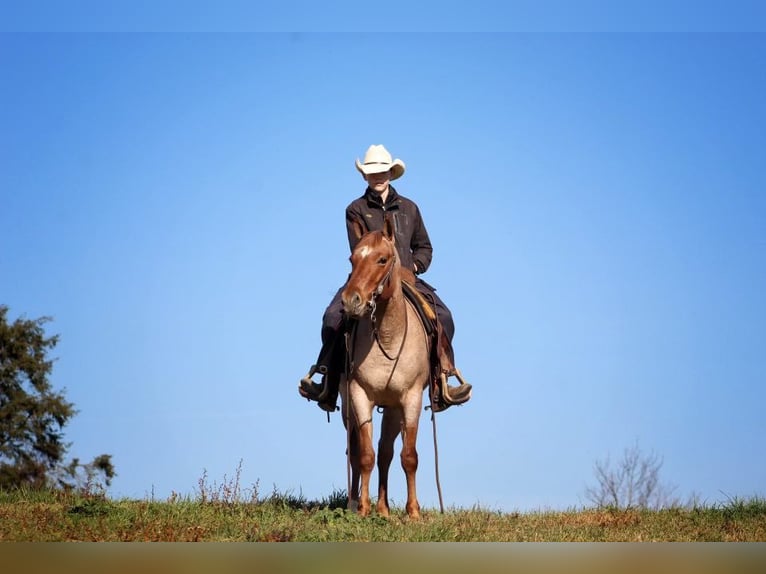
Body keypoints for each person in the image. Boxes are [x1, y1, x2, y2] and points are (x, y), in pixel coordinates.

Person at [299, 144, 472, 412]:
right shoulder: (355, 209)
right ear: (365, 176)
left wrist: (414, 266)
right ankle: (327, 381)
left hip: (405, 278)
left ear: (390, 173)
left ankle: (443, 381)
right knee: (333, 317)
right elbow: (358, 249)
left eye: (382, 171)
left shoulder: (409, 208)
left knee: (444, 317)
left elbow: (425, 247)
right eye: (372, 172)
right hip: (367, 278)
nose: (377, 176)